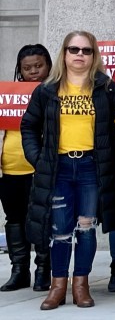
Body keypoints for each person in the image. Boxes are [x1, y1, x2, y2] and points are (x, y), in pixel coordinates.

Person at [22, 31, 115, 310]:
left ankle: (81, 285)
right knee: (59, 231)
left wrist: (112, 163)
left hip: (92, 168)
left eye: (86, 50)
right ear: (64, 53)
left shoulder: (106, 88)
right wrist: (38, 159)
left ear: (94, 55)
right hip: (59, 168)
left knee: (86, 228)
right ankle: (58, 286)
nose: (80, 55)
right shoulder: (47, 89)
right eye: (74, 49)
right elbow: (28, 127)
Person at [2, 45, 51, 293]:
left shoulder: (54, 92)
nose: (33, 72)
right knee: (14, 220)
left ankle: (43, 270)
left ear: (49, 66)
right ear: (19, 70)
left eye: (38, 66)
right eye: (27, 68)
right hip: (9, 169)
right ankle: (18, 270)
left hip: (40, 169)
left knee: (42, 220)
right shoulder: (7, 94)